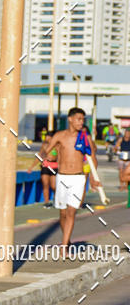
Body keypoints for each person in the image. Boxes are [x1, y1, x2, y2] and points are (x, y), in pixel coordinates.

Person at [40, 107, 101, 252]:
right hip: (62, 177)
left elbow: (93, 158)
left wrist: (93, 177)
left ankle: (64, 246)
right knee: (62, 213)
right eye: (79, 119)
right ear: (70, 119)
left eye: (83, 120)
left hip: (78, 178)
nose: (81, 122)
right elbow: (46, 151)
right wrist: (44, 155)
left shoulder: (85, 138)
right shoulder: (60, 136)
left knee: (71, 211)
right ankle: (66, 241)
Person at [28, 129, 58, 207]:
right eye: (46, 136)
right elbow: (39, 155)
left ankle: (56, 198)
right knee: (45, 184)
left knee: (53, 186)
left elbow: (61, 156)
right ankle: (46, 202)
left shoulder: (57, 145)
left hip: (54, 166)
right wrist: (31, 167)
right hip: (45, 166)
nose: (47, 138)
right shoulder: (44, 145)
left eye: (48, 137)